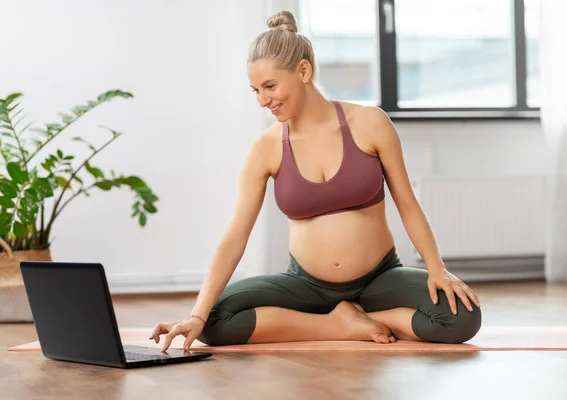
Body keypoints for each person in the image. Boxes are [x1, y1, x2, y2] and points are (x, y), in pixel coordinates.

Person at [151, 10, 482, 351]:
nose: (263, 100)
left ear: (304, 71)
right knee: (214, 322)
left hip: (379, 279)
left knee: (462, 316)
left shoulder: (369, 123)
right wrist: (197, 314)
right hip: (305, 285)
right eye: (255, 90)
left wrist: (436, 268)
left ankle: (365, 314)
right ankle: (339, 324)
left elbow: (408, 205)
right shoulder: (266, 147)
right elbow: (236, 235)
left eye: (270, 86)